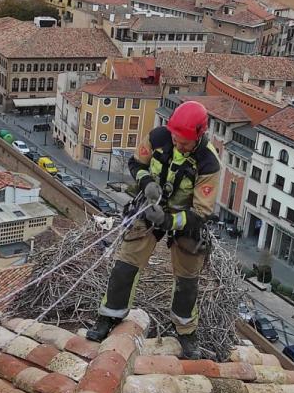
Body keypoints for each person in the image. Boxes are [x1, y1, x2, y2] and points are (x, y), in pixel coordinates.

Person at [86, 101, 220, 359]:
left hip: (184, 220)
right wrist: (146, 182)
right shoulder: (159, 137)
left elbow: (201, 212)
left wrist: (169, 222)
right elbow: (136, 164)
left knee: (187, 280)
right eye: (176, 139)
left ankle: (185, 331)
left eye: (184, 143)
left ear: (199, 136)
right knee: (125, 264)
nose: (179, 145)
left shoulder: (208, 162)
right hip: (148, 208)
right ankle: (108, 317)